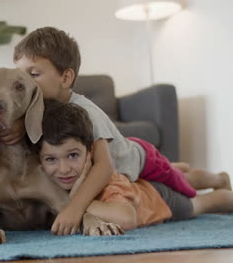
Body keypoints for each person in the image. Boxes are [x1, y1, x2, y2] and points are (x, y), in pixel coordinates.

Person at [12, 26, 227, 235]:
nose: (24, 83)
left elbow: (104, 167)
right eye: (20, 75)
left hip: (139, 159)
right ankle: (180, 169)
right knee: (175, 176)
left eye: (33, 74)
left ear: (66, 78)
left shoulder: (85, 112)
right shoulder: (40, 109)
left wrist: (75, 207)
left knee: (181, 182)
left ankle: (217, 180)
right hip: (123, 160)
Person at [37, 100, 233, 233]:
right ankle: (182, 170)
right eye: (51, 159)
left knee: (200, 203)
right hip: (138, 183)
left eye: (72, 155)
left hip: (158, 201)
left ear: (89, 152)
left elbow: (127, 218)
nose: (63, 169)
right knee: (180, 176)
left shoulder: (107, 183)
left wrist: (77, 202)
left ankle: (221, 182)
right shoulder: (49, 180)